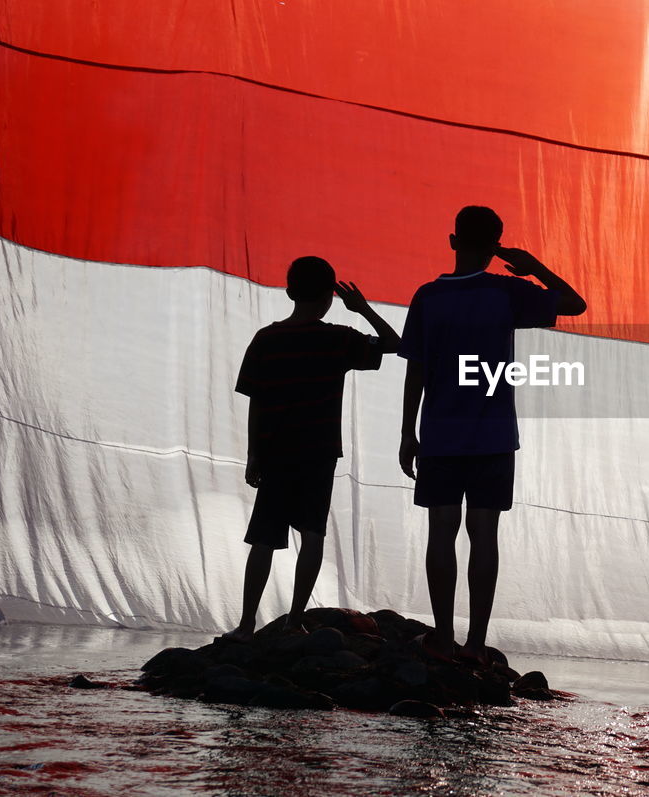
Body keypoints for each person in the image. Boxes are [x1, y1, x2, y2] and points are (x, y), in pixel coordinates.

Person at [399, 205, 586, 663]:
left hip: (441, 429)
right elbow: (574, 303)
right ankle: (477, 644)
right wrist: (534, 266)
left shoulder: (428, 296)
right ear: (496, 245)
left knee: (441, 530)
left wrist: (407, 432)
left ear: (453, 240)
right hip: (494, 433)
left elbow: (416, 369)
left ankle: (443, 638)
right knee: (485, 532)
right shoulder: (507, 292)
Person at [224, 256, 401, 642]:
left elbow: (255, 400)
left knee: (263, 540)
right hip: (317, 452)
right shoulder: (337, 338)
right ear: (330, 297)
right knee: (312, 535)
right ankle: (294, 620)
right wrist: (363, 308)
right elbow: (394, 344)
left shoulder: (266, 339)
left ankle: (245, 624)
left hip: (274, 452)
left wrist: (254, 454)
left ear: (289, 292)